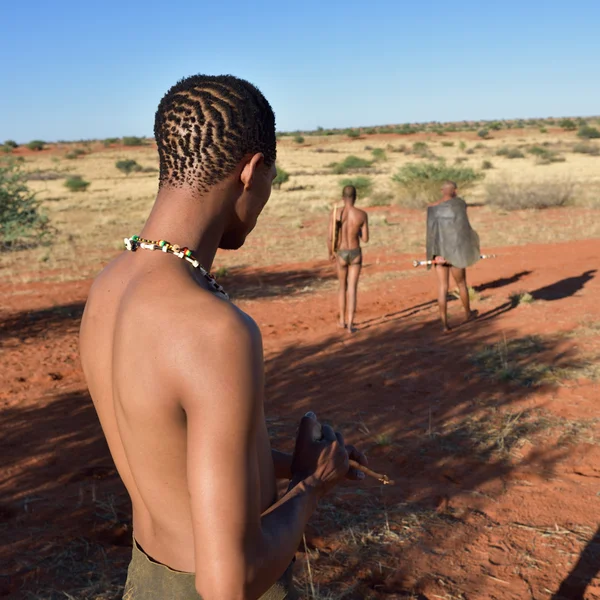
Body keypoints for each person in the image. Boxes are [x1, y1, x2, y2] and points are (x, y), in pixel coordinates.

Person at [79, 74, 367, 600]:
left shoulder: (110, 285)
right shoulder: (212, 329)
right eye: (269, 182)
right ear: (252, 170)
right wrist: (312, 487)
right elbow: (227, 585)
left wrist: (295, 463)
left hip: (146, 580)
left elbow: (167, 447)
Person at [426, 181, 480, 332]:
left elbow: (431, 234)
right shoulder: (460, 205)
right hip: (456, 252)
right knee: (461, 283)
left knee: (442, 287)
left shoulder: (432, 207)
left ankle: (444, 324)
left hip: (439, 253)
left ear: (441, 190)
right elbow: (463, 229)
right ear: (455, 190)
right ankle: (468, 313)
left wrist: (434, 255)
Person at [328, 185, 369, 333]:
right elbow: (365, 239)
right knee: (352, 288)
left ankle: (342, 321)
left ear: (343, 197)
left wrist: (331, 253)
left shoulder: (336, 214)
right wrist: (356, 230)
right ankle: (351, 324)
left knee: (342, 288)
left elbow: (331, 237)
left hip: (341, 253)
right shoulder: (361, 215)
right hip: (355, 252)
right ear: (355, 197)